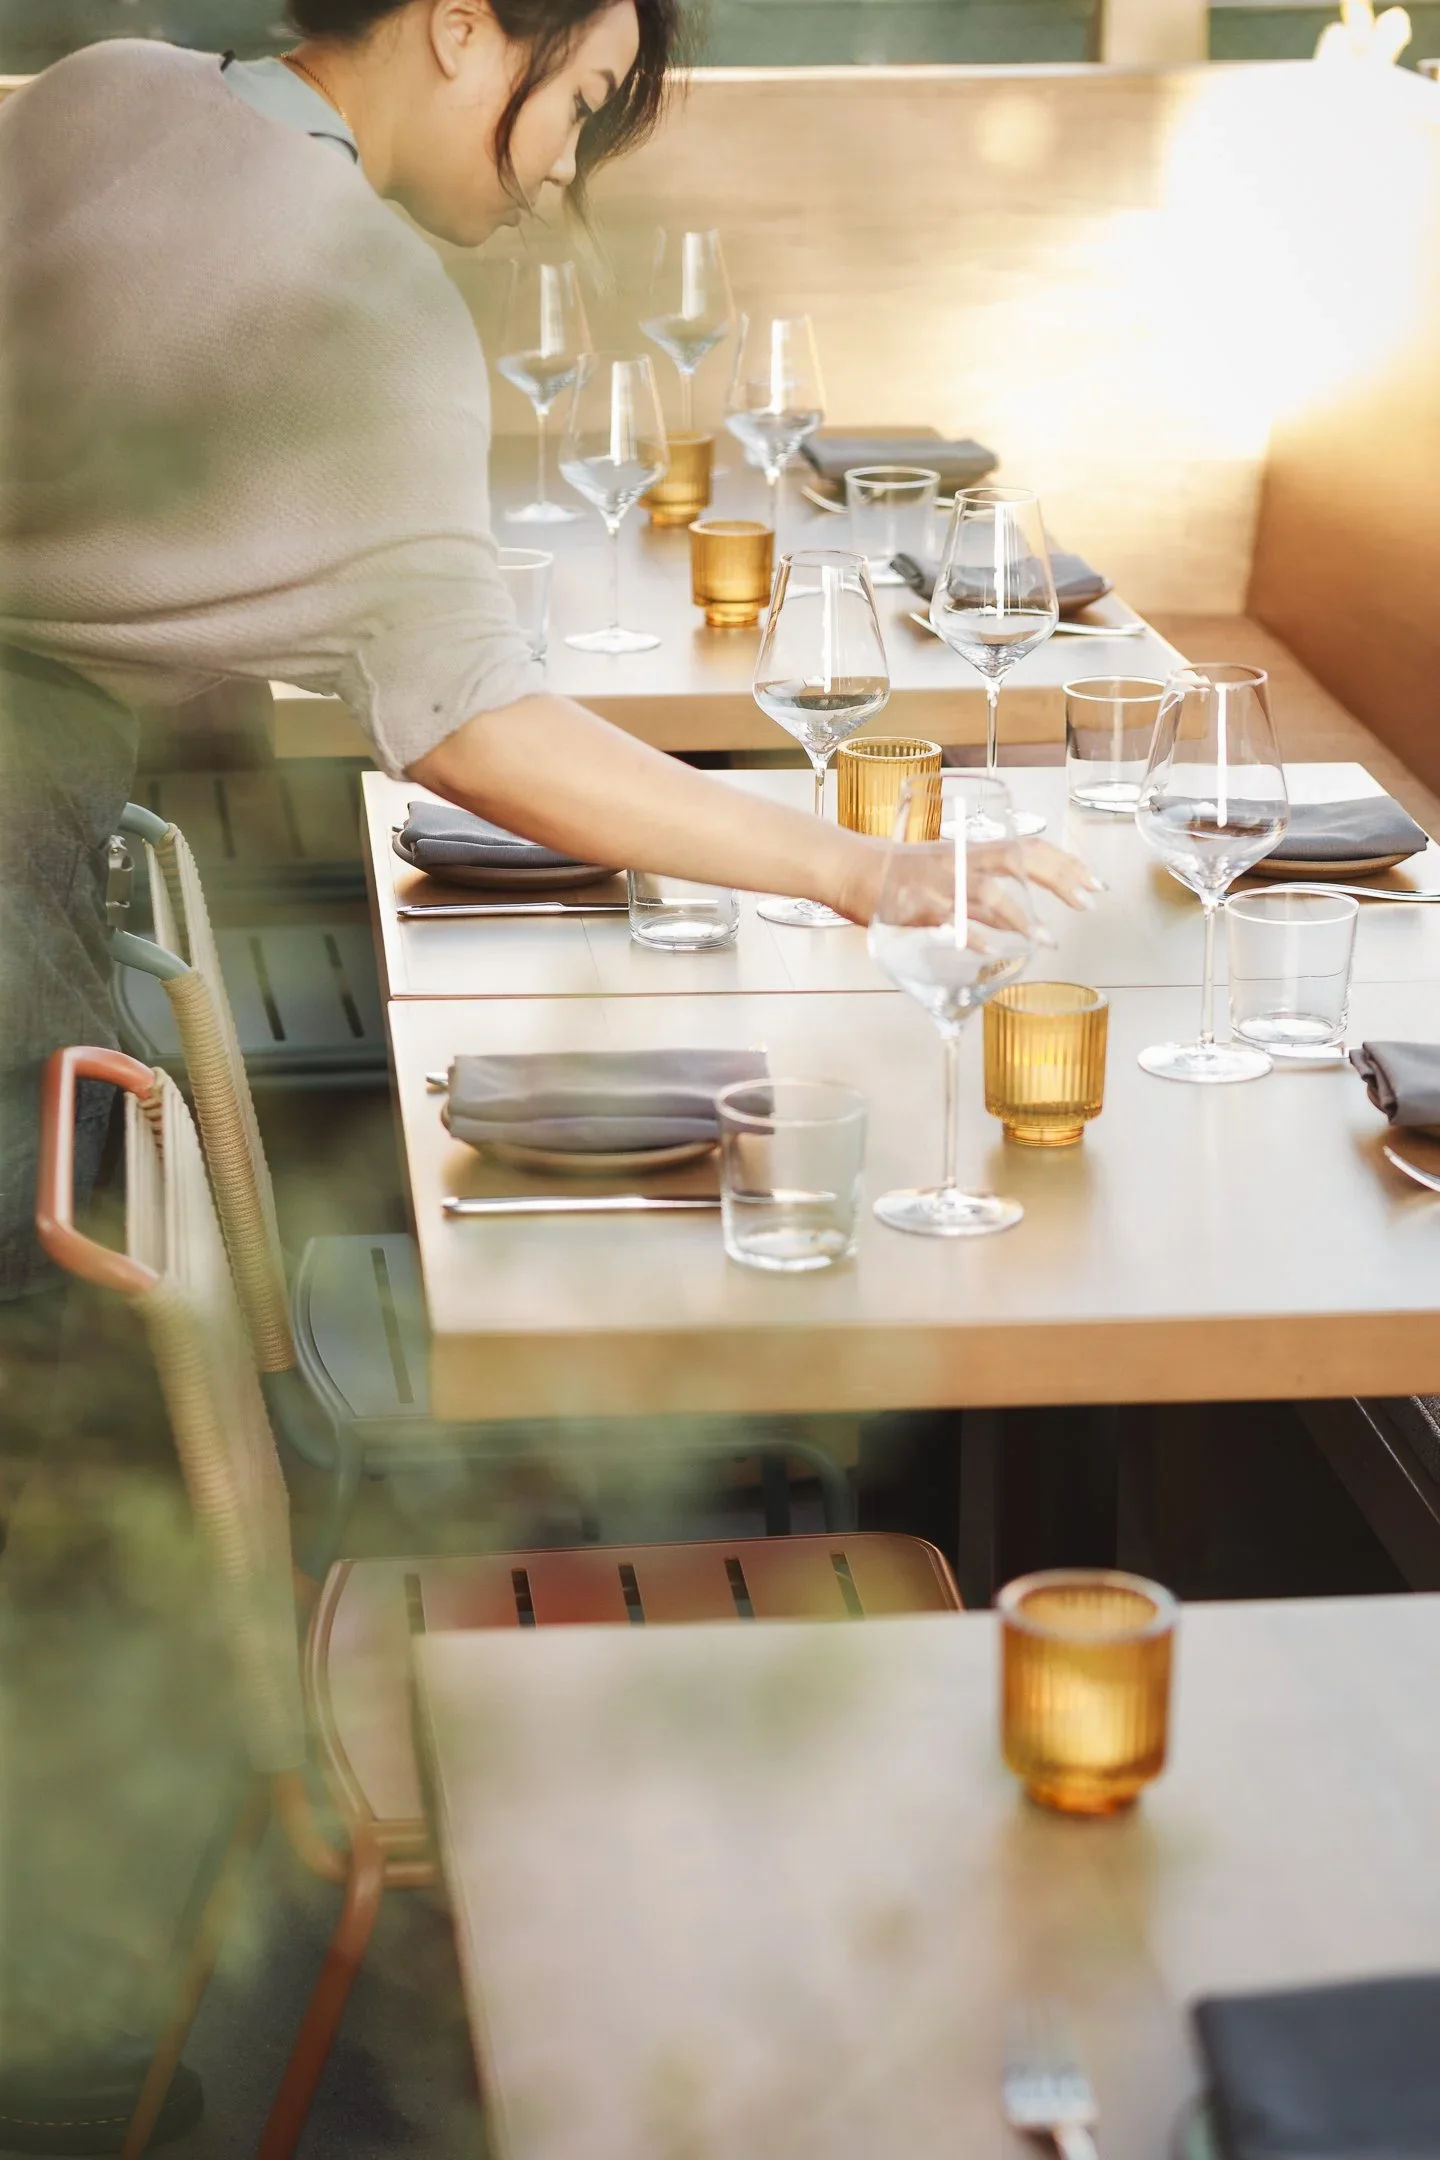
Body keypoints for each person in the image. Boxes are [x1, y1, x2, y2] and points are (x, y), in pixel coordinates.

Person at [0, 2, 1101, 2144]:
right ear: (458, 27)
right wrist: (863, 869)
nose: (561, 170)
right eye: (579, 100)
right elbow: (472, 718)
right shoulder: (364, 295)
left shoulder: (104, 86)